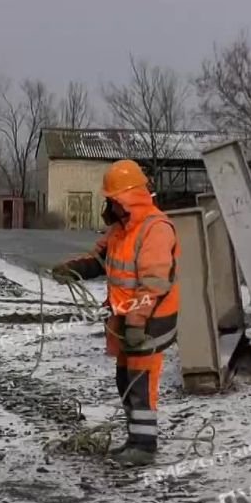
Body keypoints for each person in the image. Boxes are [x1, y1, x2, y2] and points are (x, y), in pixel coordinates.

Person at [51, 160, 180, 466]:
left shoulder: (155, 229)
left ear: (128, 198)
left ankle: (144, 447)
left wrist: (136, 321)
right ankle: (135, 440)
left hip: (149, 321)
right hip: (127, 320)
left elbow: (154, 284)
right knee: (126, 379)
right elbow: (99, 258)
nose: (108, 205)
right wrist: (74, 268)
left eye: (112, 199)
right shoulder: (121, 230)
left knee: (140, 383)